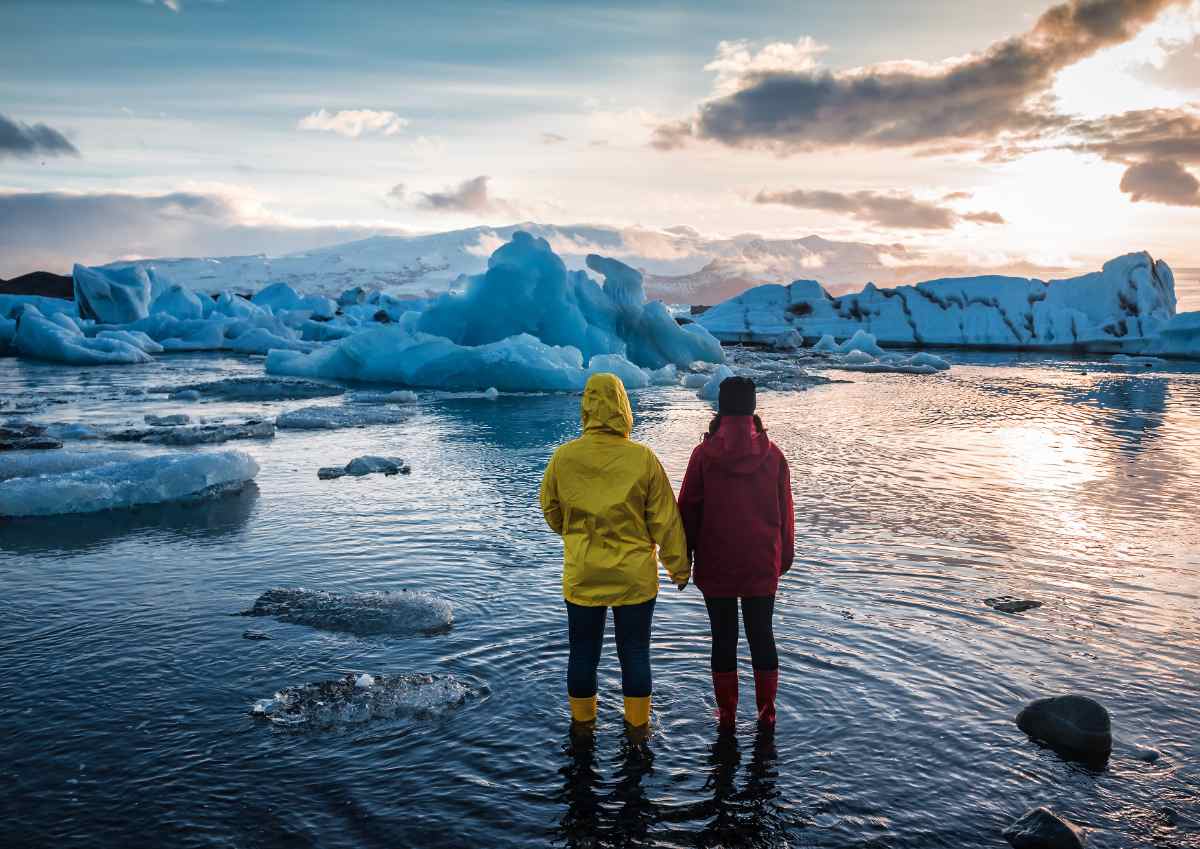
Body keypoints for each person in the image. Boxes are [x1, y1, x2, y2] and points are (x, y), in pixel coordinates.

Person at [540, 372, 690, 733]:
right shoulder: (642, 459)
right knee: (635, 652)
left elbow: (550, 508)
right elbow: (665, 520)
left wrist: (576, 535)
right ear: (624, 406)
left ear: (587, 406)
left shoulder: (564, 457)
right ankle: (638, 732)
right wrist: (678, 567)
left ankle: (583, 728)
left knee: (583, 653)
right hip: (634, 577)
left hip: (584, 572)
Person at [678, 376, 794, 727]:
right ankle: (766, 715)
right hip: (761, 562)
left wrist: (683, 557)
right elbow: (785, 513)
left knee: (723, 638)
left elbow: (687, 511)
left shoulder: (703, 454)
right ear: (753, 408)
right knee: (762, 634)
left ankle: (726, 716)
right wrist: (782, 560)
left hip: (716, 563)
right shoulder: (773, 456)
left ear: (721, 407)